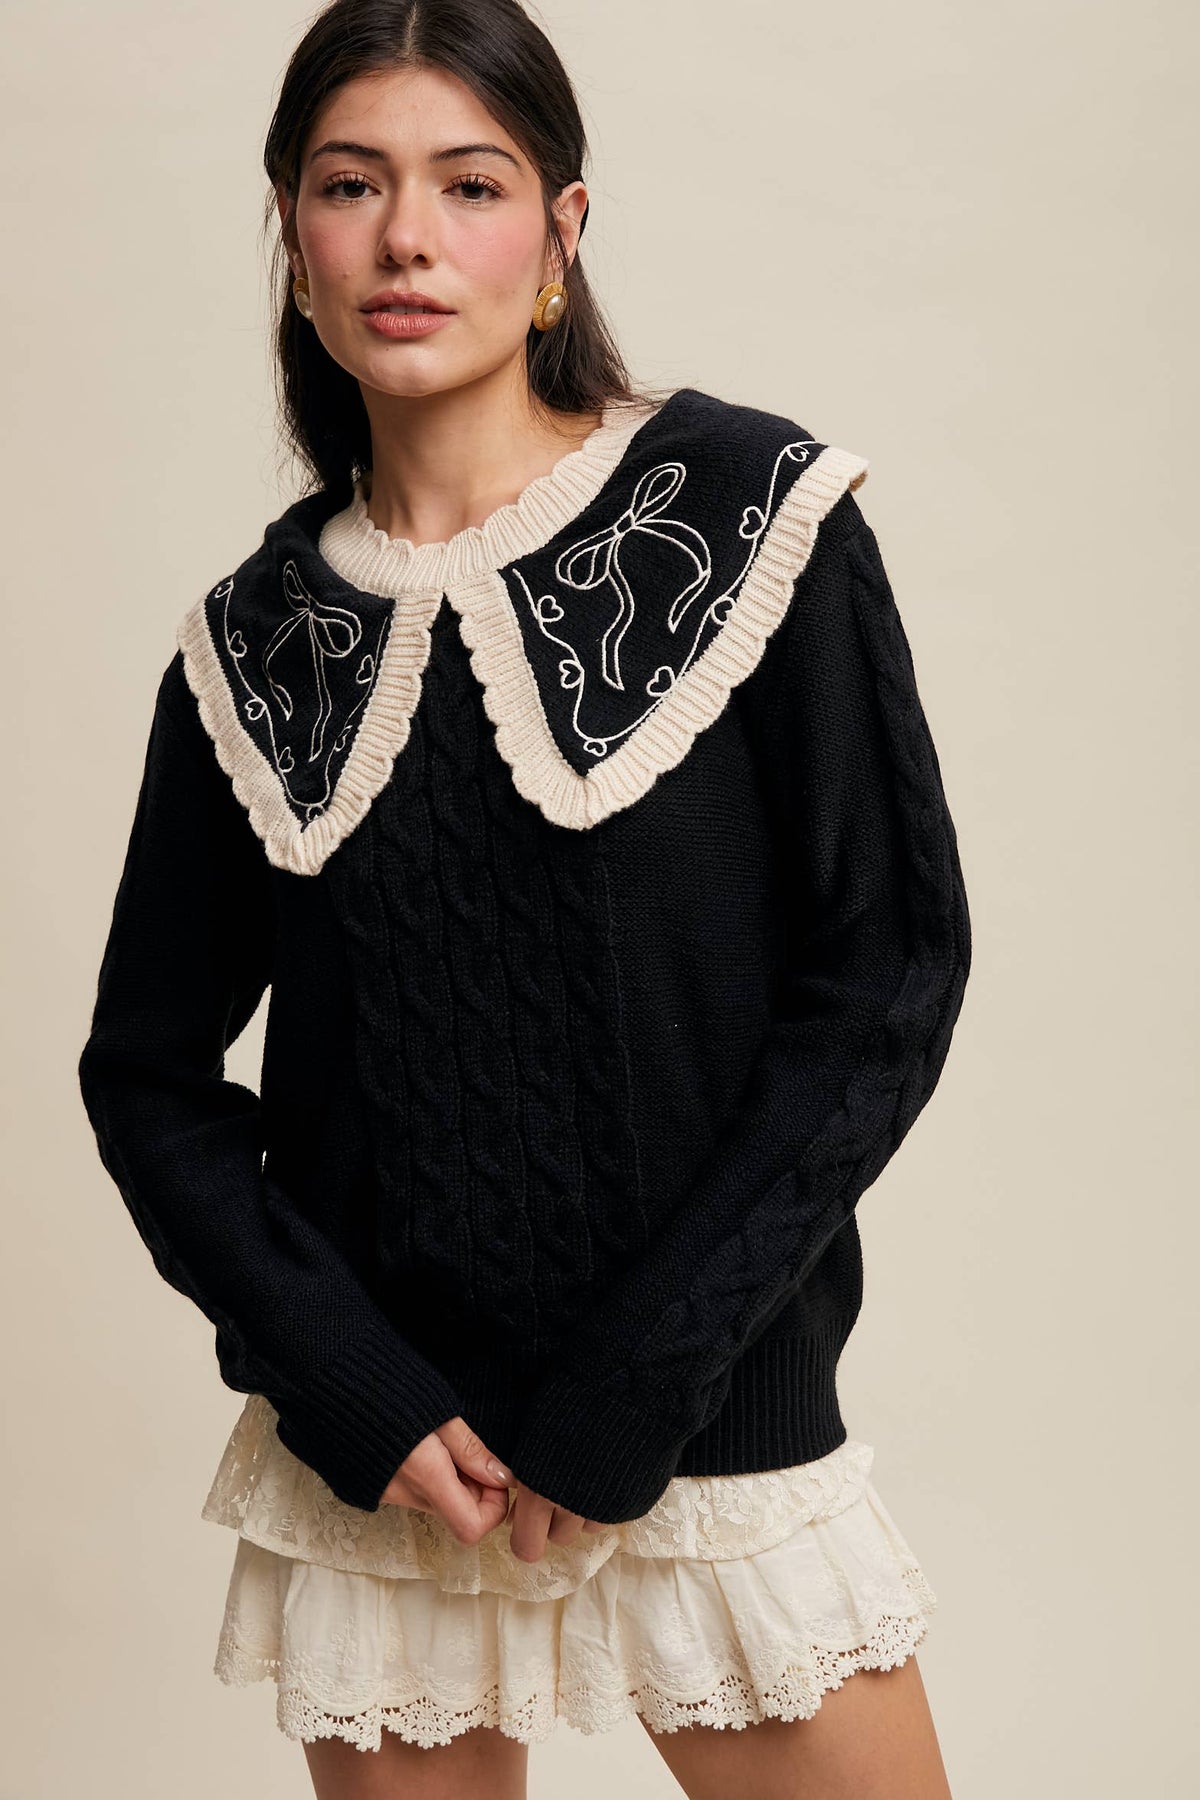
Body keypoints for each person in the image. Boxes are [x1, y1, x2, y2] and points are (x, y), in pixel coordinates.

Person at [76, 1, 972, 1794]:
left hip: (710, 1427)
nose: (407, 238)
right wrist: (350, 1385)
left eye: (469, 185)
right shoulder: (250, 646)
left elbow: (883, 982)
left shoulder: (747, 516)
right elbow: (148, 1079)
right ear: (295, 237)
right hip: (399, 1476)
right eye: (352, 186)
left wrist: (640, 1383)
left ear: (561, 231)